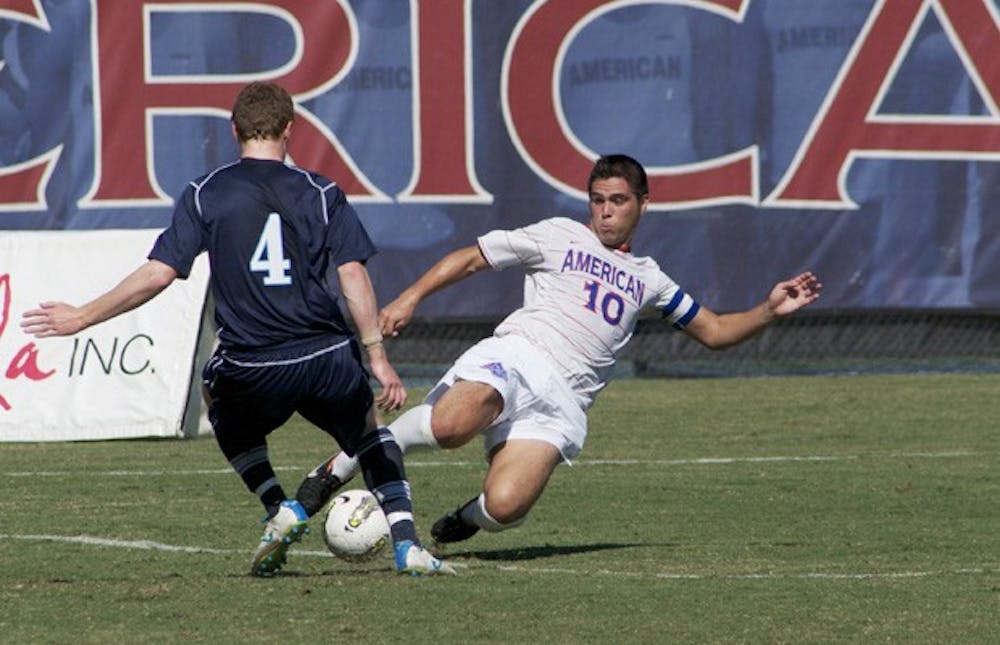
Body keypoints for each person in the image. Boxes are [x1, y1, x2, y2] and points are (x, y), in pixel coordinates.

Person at [20, 81, 453, 576]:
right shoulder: (321, 191)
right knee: (370, 437)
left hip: (252, 363)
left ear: (234, 130)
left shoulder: (206, 193)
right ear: (291, 129)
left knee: (215, 396)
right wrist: (375, 354)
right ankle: (407, 546)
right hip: (324, 355)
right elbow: (352, 273)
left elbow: (159, 273)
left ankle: (278, 509)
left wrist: (82, 316)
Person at [294, 154, 822, 547]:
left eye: (618, 201)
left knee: (505, 509)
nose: (606, 212)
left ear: (643, 203)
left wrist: (768, 310)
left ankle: (464, 520)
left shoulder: (650, 279)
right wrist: (410, 297)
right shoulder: (559, 236)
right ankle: (341, 463)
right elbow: (474, 257)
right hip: (520, 355)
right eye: (598, 200)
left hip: (563, 401)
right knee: (450, 428)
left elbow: (715, 330)